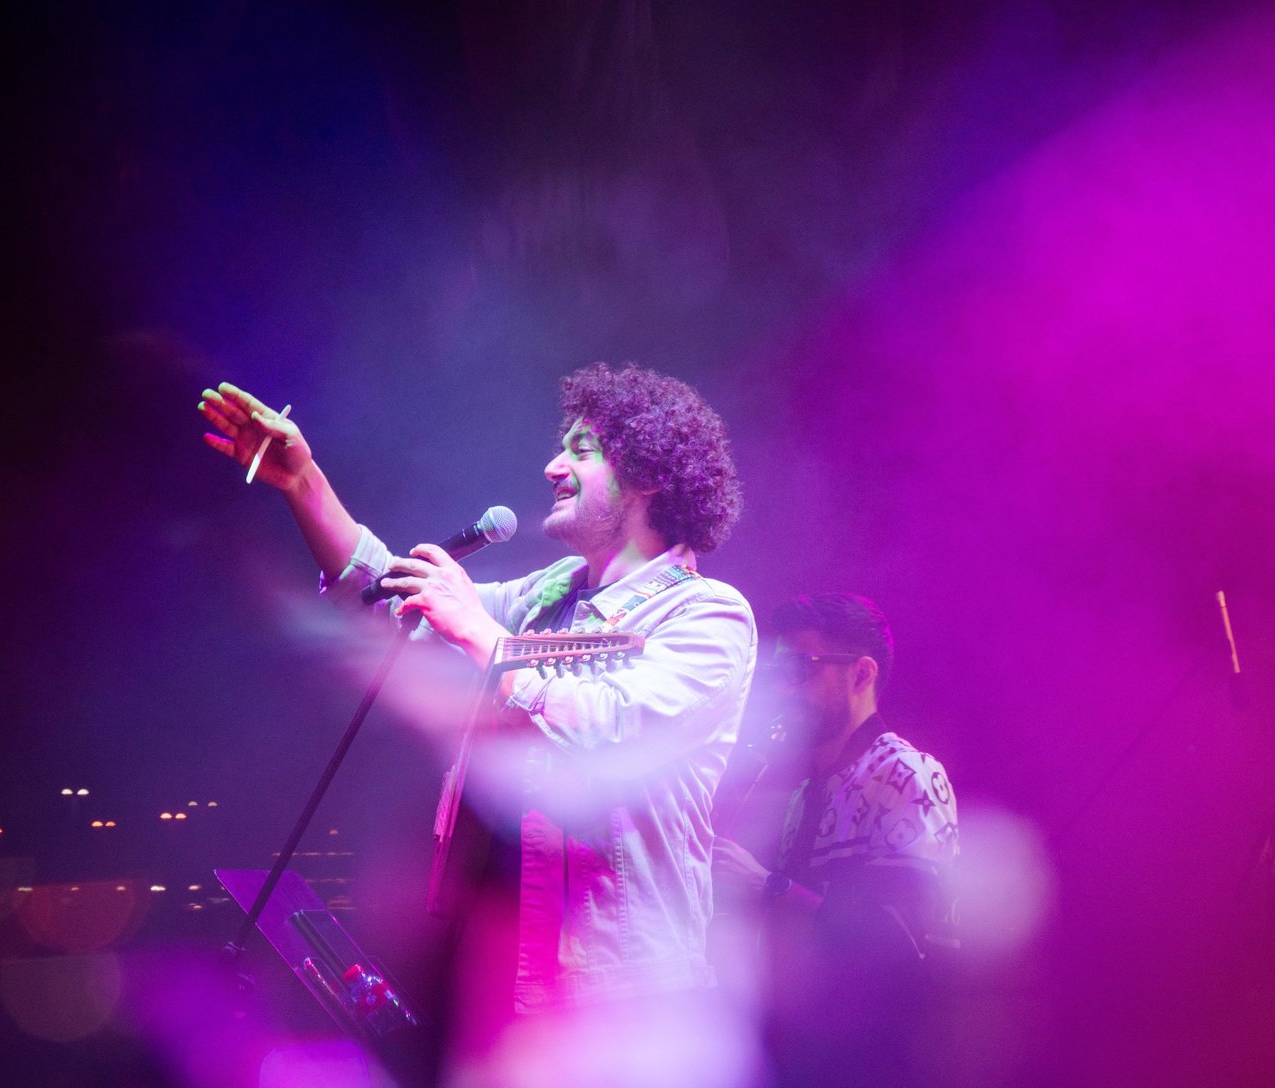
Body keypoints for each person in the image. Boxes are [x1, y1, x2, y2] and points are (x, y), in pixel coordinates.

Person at [198, 362, 757, 1071]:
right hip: (503, 981)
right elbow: (396, 604)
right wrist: (304, 482)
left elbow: (613, 728)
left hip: (624, 1001)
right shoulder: (548, 596)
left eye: (582, 450)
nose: (553, 465)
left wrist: (480, 633)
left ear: (647, 474)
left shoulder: (707, 614)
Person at [713, 591, 959, 1087]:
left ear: (861, 675)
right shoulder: (800, 790)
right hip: (800, 1051)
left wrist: (768, 886)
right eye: (776, 674)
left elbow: (902, 941)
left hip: (878, 1061)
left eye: (799, 670)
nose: (782, 690)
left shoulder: (906, 772)